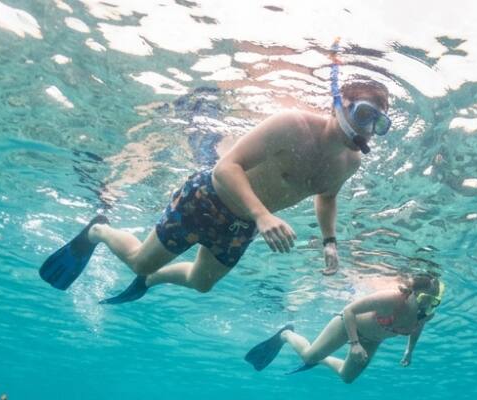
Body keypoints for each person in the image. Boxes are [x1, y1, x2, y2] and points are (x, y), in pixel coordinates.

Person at [39, 78, 393, 302]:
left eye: (379, 123)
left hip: (242, 226)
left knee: (201, 283)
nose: (367, 129)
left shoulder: (350, 163)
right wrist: (262, 214)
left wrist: (330, 242)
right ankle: (98, 230)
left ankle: (151, 281)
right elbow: (226, 167)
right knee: (138, 261)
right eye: (363, 115)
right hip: (207, 198)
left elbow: (327, 197)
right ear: (338, 103)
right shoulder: (293, 125)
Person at [244, 274, 443, 383]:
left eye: (434, 302)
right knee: (307, 356)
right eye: (425, 299)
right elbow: (349, 311)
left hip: (372, 340)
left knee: (347, 377)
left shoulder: (426, 314)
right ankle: (287, 334)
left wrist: (409, 351)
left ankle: (320, 359)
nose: (428, 306)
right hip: (348, 326)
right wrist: (354, 343)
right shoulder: (391, 299)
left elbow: (417, 328)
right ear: (411, 293)